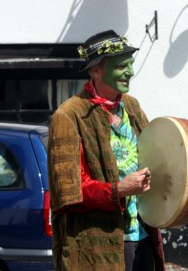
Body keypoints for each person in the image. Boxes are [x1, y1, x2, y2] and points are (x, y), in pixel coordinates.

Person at [48, 30, 165, 271]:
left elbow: (152, 155)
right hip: (97, 246)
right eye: (122, 66)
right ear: (96, 71)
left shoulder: (131, 106)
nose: (130, 72)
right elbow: (67, 193)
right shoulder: (68, 115)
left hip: (143, 235)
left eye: (130, 65)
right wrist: (119, 190)